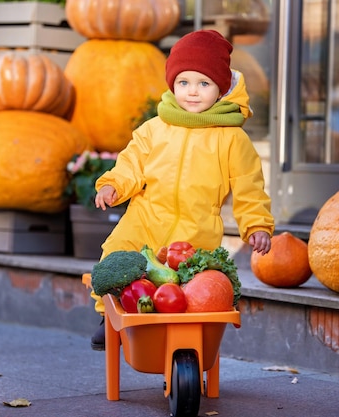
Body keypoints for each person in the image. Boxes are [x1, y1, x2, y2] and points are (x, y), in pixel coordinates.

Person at [89, 29, 275, 350]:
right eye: (184, 82)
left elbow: (249, 185)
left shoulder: (231, 138)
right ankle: (110, 316)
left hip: (195, 231)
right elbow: (131, 162)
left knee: (190, 289)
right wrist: (112, 186)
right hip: (145, 218)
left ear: (221, 89)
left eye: (203, 83)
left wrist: (256, 224)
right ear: (172, 85)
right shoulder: (155, 128)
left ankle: (181, 345)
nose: (192, 92)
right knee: (116, 254)